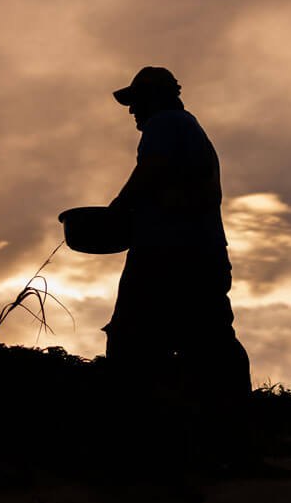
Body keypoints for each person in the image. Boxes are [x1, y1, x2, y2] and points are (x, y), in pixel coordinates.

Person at [102, 65, 252, 406]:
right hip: (203, 252)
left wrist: (115, 212)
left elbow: (150, 171)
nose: (131, 110)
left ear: (156, 99)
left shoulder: (164, 123)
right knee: (209, 341)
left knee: (132, 339)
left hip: (167, 254)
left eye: (136, 101)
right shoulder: (190, 128)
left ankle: (132, 420)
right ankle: (231, 421)